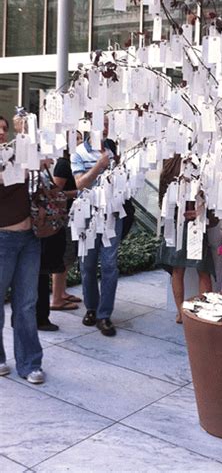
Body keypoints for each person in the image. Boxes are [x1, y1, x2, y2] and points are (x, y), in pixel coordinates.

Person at [0, 114, 45, 384]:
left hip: (30, 237)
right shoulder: (13, 162)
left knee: (27, 304)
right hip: (2, 239)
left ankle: (30, 363)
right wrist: (26, 168)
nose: (2, 133)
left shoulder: (14, 155)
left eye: (4, 129)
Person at [71, 121, 122, 337]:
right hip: (87, 213)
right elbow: (79, 184)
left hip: (112, 212)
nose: (105, 129)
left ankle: (104, 314)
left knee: (110, 264)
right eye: (101, 124)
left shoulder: (115, 148)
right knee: (88, 263)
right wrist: (99, 166)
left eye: (107, 125)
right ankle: (91, 307)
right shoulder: (79, 153)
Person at [156, 156, 214, 324]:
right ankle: (203, 312)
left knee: (180, 269)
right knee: (202, 269)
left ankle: (181, 312)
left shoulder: (170, 164)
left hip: (178, 221)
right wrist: (201, 211)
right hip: (192, 222)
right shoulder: (200, 161)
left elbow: (162, 195)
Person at [36, 148, 80, 332]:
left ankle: (46, 310)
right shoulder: (61, 165)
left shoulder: (46, 170)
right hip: (45, 226)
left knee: (45, 270)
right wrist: (77, 192)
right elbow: (54, 193)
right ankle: (43, 313)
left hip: (45, 225)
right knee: (44, 269)